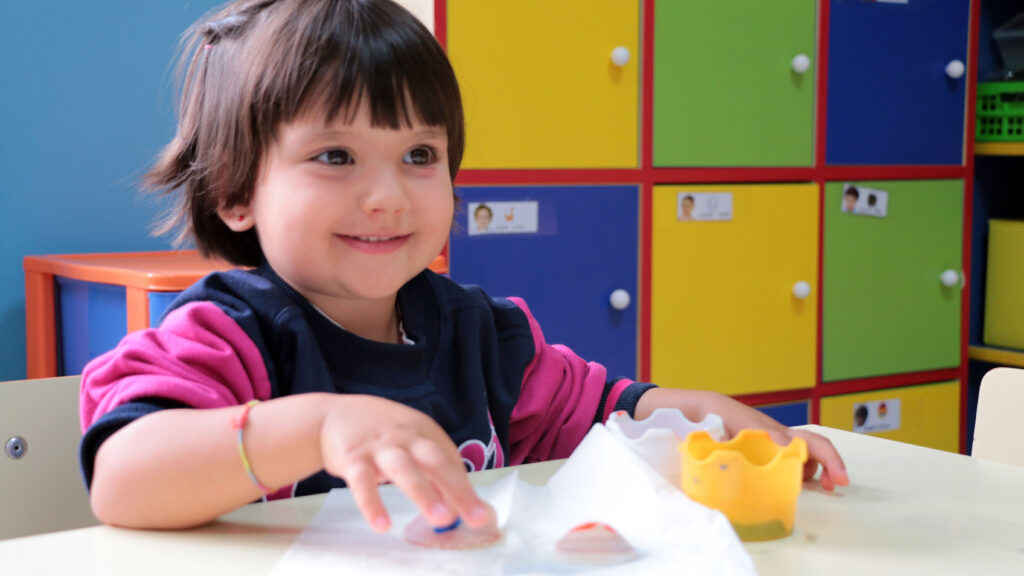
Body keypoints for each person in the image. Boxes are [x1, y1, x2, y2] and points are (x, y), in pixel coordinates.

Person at [79, 0, 848, 535]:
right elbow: (123, 480)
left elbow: (604, 411)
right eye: (335, 156)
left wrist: (707, 420)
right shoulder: (225, 335)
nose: (386, 197)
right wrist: (317, 427)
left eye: (419, 155)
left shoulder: (481, 330)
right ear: (236, 191)